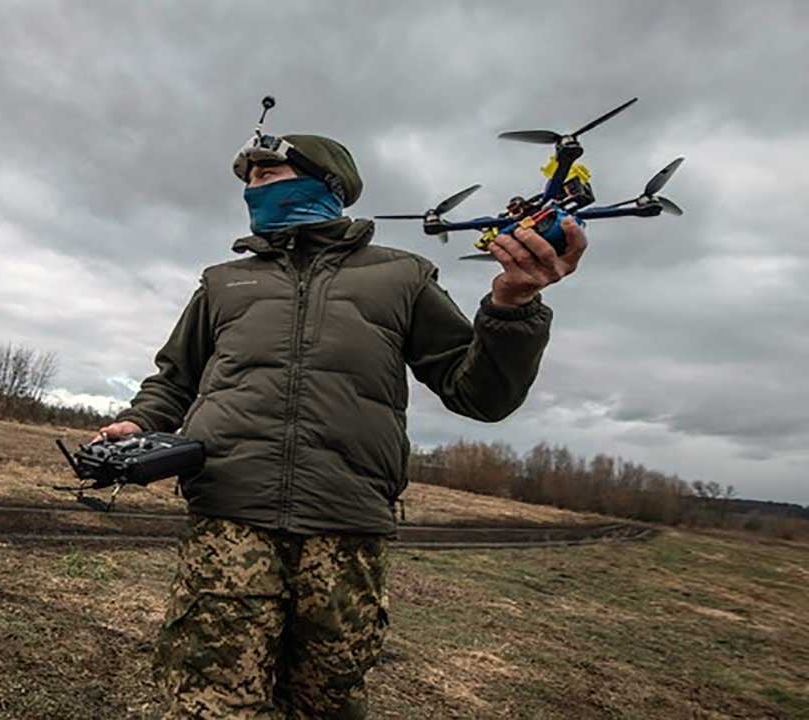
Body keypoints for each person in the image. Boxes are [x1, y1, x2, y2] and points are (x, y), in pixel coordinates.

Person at [97, 124, 586, 717]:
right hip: (230, 519)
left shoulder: (402, 277)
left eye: (268, 173)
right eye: (248, 179)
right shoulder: (223, 283)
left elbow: (480, 395)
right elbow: (175, 380)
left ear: (327, 182)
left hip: (346, 529)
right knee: (210, 702)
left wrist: (512, 307)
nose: (254, 188)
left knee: (326, 701)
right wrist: (137, 423)